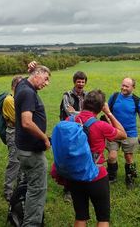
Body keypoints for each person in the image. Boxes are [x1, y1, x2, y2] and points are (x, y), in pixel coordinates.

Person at [69, 89, 127, 227]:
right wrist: (108, 113)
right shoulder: (101, 125)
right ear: (100, 108)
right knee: (103, 218)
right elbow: (123, 134)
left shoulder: (70, 120)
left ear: (84, 103)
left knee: (80, 216)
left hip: (75, 174)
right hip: (97, 175)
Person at [14, 65, 51, 226]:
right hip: (32, 152)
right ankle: (31, 224)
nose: (47, 83)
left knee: (29, 185)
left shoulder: (22, 85)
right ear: (37, 75)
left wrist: (30, 68)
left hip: (23, 148)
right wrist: (44, 138)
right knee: (37, 191)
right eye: (46, 78)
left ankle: (24, 213)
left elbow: (24, 77)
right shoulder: (28, 93)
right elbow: (27, 122)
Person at [106, 77, 140, 188]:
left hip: (130, 133)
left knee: (129, 158)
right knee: (111, 157)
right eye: (123, 85)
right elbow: (107, 111)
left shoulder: (137, 100)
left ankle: (130, 178)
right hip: (114, 132)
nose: (123, 88)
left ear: (133, 88)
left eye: (127, 86)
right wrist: (109, 123)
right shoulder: (114, 97)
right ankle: (112, 176)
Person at [60, 71, 88, 201]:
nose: (80, 84)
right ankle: (68, 190)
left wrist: (77, 113)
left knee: (83, 156)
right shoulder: (67, 95)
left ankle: (81, 186)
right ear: (74, 82)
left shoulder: (87, 95)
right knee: (70, 158)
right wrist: (83, 114)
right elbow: (68, 113)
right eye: (78, 81)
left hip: (84, 131)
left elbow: (90, 112)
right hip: (70, 132)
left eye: (83, 81)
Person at [2, 75, 24, 202]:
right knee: (14, 161)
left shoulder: (18, 98)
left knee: (22, 160)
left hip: (21, 133)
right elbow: (17, 119)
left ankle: (20, 186)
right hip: (13, 132)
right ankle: (8, 190)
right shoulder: (9, 100)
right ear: (15, 86)